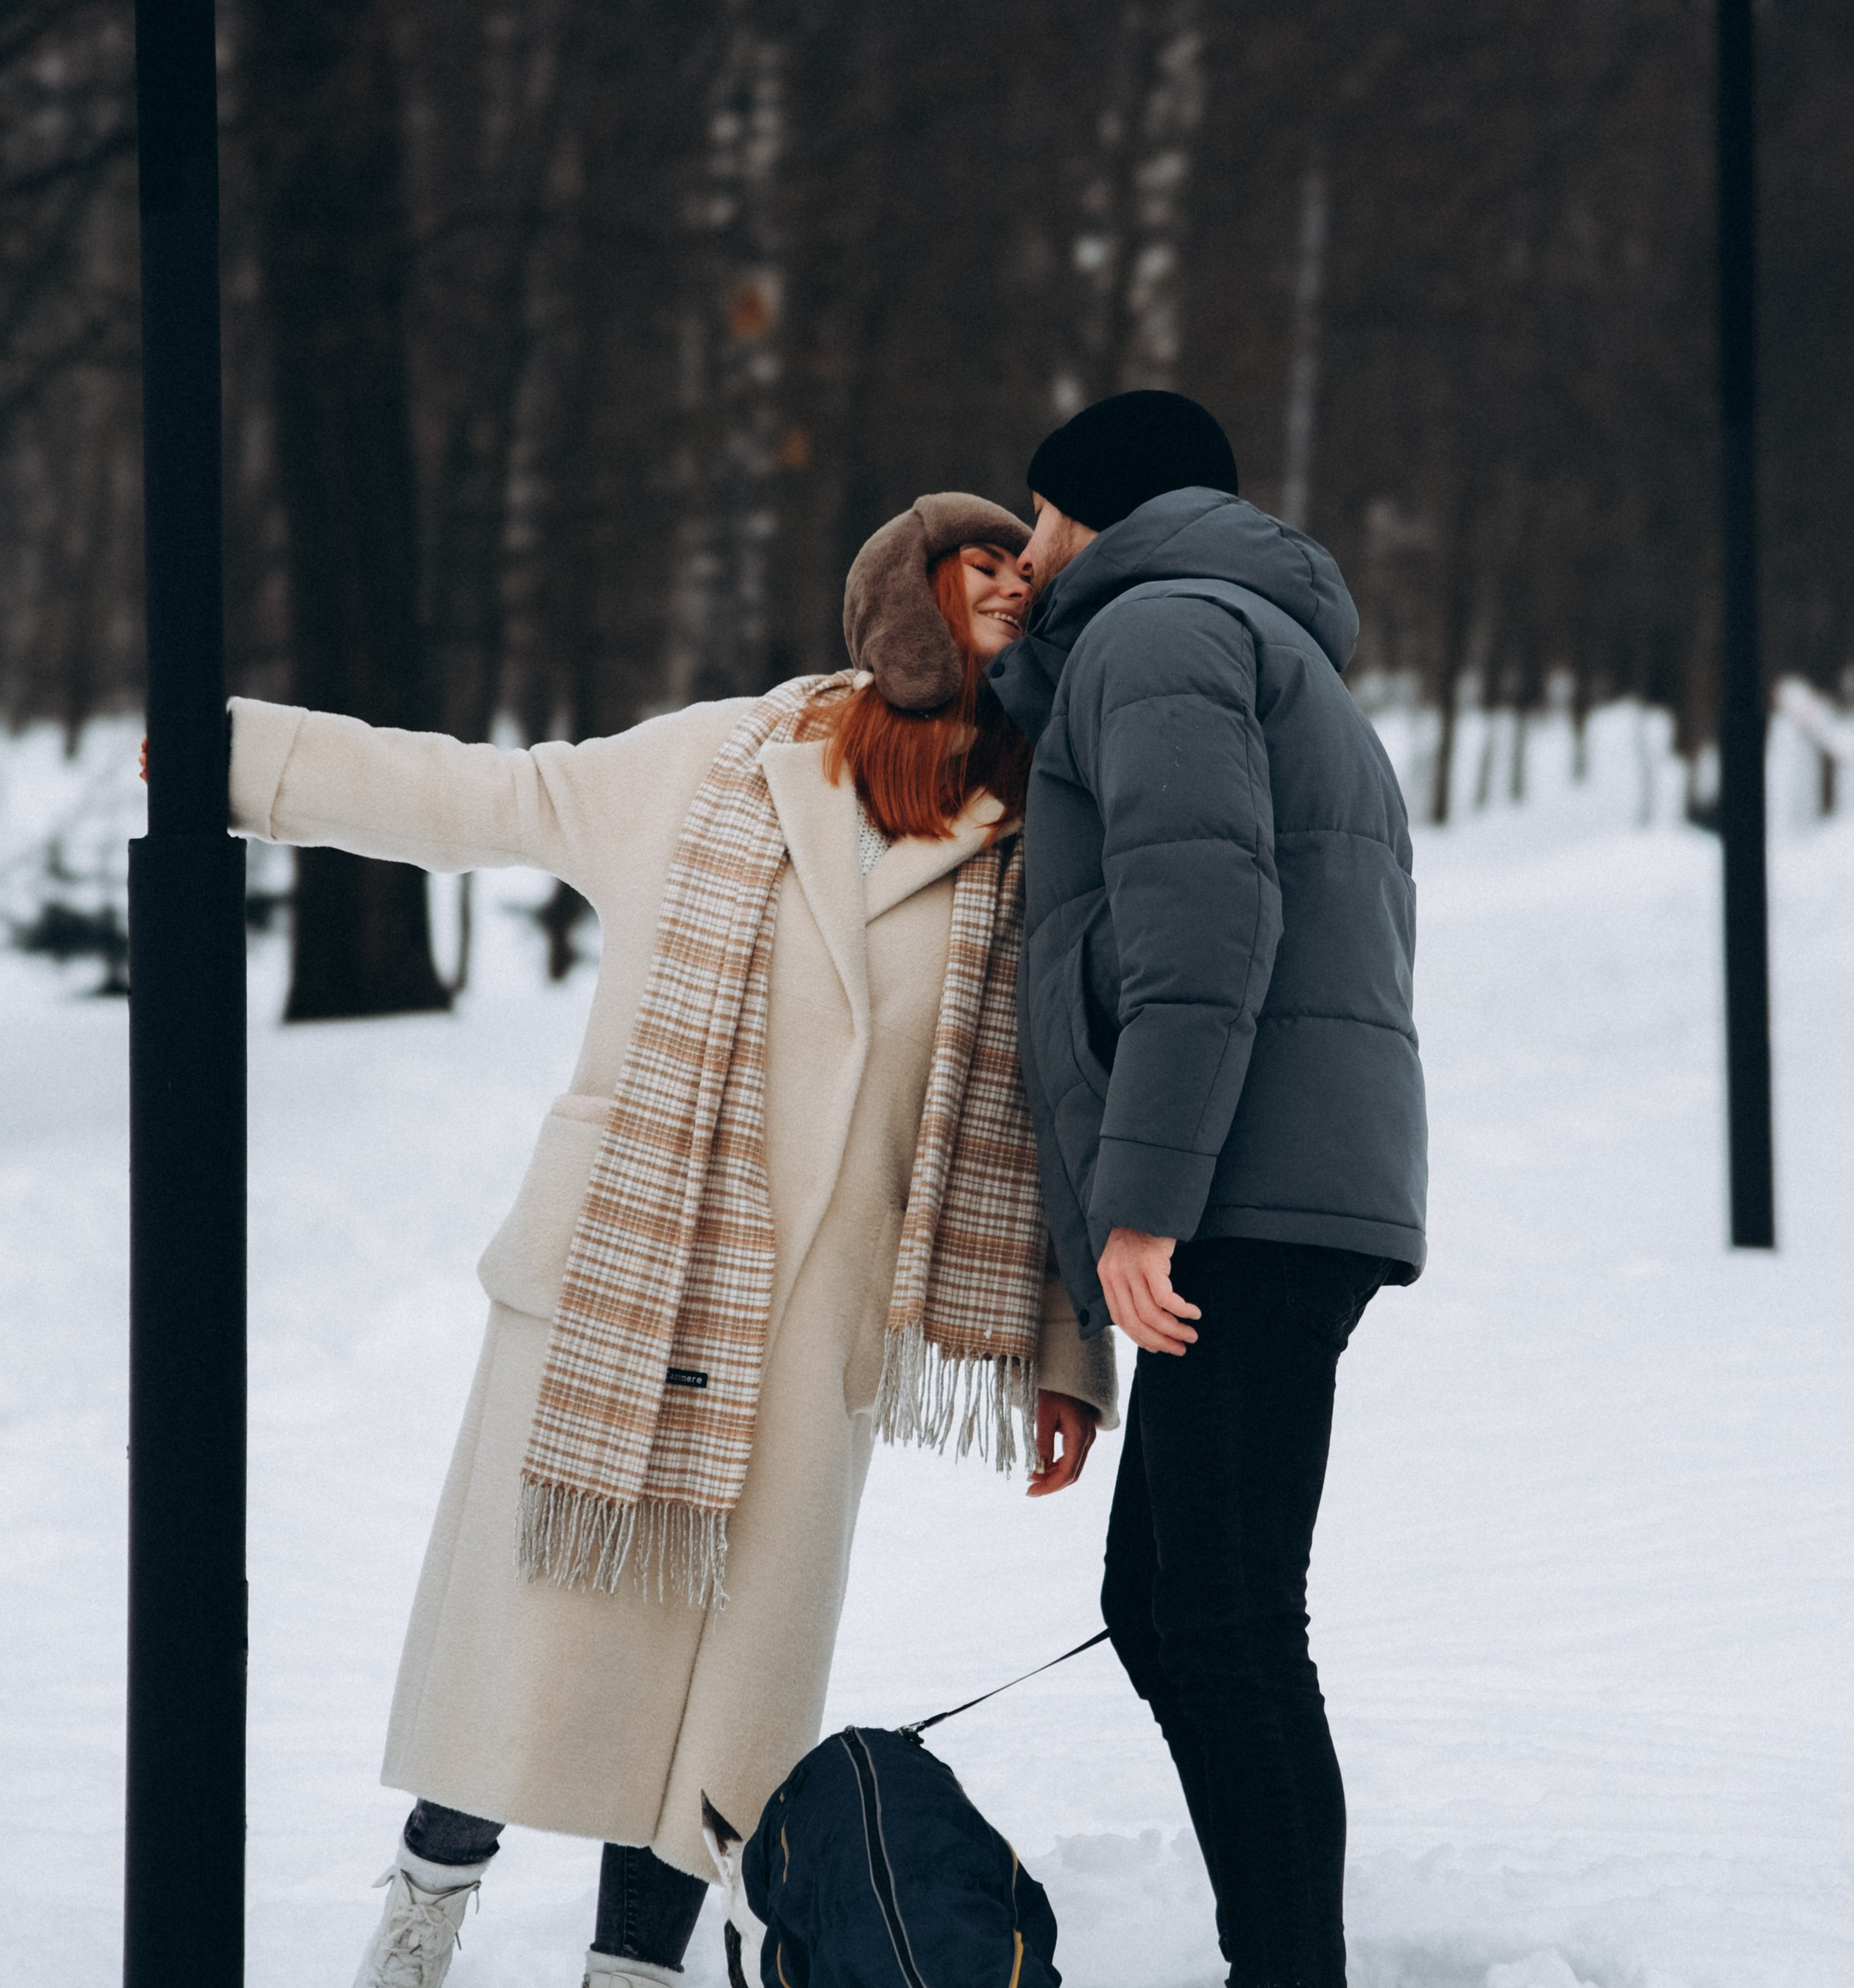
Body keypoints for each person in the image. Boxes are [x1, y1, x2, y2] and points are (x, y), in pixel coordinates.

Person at [220, 492, 1114, 1988]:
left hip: (823, 1326)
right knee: (535, 1647)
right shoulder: (722, 761)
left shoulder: (1033, 836)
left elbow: (1055, 1113)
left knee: (725, 1703)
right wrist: (248, 759)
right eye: (983, 566)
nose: (1017, 586)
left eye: (1027, 570)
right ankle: (428, 1904)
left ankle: (634, 1970)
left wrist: (1067, 1355)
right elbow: (486, 799)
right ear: (906, 599)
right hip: (623, 1288)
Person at [984, 391, 1428, 1988]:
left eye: (1034, 521)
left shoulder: (1158, 633)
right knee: (1165, 1607)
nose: (1022, 558)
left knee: (1227, 1620)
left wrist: (1143, 1200)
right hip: (1273, 1183)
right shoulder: (1240, 637)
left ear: (1093, 508)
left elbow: (1203, 927)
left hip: (1235, 1196)